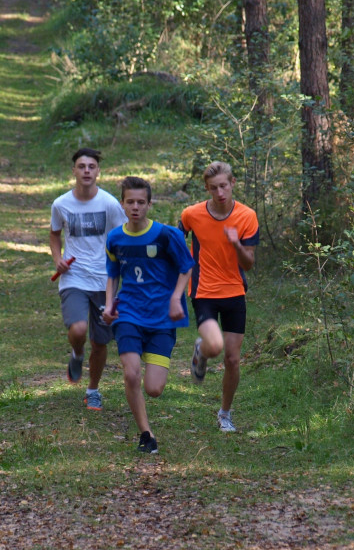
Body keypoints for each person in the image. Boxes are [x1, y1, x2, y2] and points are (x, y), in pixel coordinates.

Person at [103, 176, 194, 454]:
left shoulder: (167, 235)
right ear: (122, 204)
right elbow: (112, 274)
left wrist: (176, 298)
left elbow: (186, 267)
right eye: (130, 202)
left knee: (154, 388)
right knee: (131, 374)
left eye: (141, 202)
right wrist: (109, 306)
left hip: (161, 319)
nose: (135, 207)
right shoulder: (115, 238)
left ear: (149, 204)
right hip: (128, 313)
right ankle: (146, 434)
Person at [178, 161, 259, 433]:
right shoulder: (192, 214)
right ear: (207, 189)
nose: (220, 192)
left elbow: (248, 264)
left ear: (233, 183)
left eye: (224, 186)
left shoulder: (247, 216)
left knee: (232, 360)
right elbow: (177, 241)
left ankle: (225, 413)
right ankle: (202, 351)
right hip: (204, 292)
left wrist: (236, 243)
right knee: (214, 347)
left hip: (235, 292)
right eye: (214, 188)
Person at [50, 148, 126, 410]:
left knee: (101, 341)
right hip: (74, 278)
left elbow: (122, 236)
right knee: (79, 330)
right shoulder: (61, 204)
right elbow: (54, 234)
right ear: (73, 171)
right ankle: (77, 353)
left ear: (98, 172)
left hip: (105, 280)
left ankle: (93, 389)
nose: (86, 171)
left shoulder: (110, 204)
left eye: (91, 166)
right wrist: (57, 258)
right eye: (81, 166)